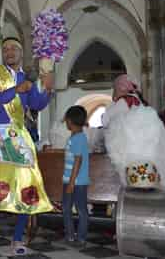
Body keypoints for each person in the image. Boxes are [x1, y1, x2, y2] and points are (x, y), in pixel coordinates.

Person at [0, 37, 54, 255]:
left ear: (21, 53)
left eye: (14, 48)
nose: (9, 52)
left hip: (18, 137)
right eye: (5, 48)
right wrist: (15, 90)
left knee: (27, 185)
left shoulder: (26, 77)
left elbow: (36, 105)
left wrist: (47, 89)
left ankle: (18, 239)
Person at [63, 105, 89, 248]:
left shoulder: (79, 138)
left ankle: (81, 238)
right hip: (70, 180)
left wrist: (72, 183)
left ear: (70, 121)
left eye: (66, 119)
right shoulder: (74, 136)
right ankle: (70, 236)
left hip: (77, 182)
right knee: (66, 208)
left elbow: (78, 161)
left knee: (81, 210)